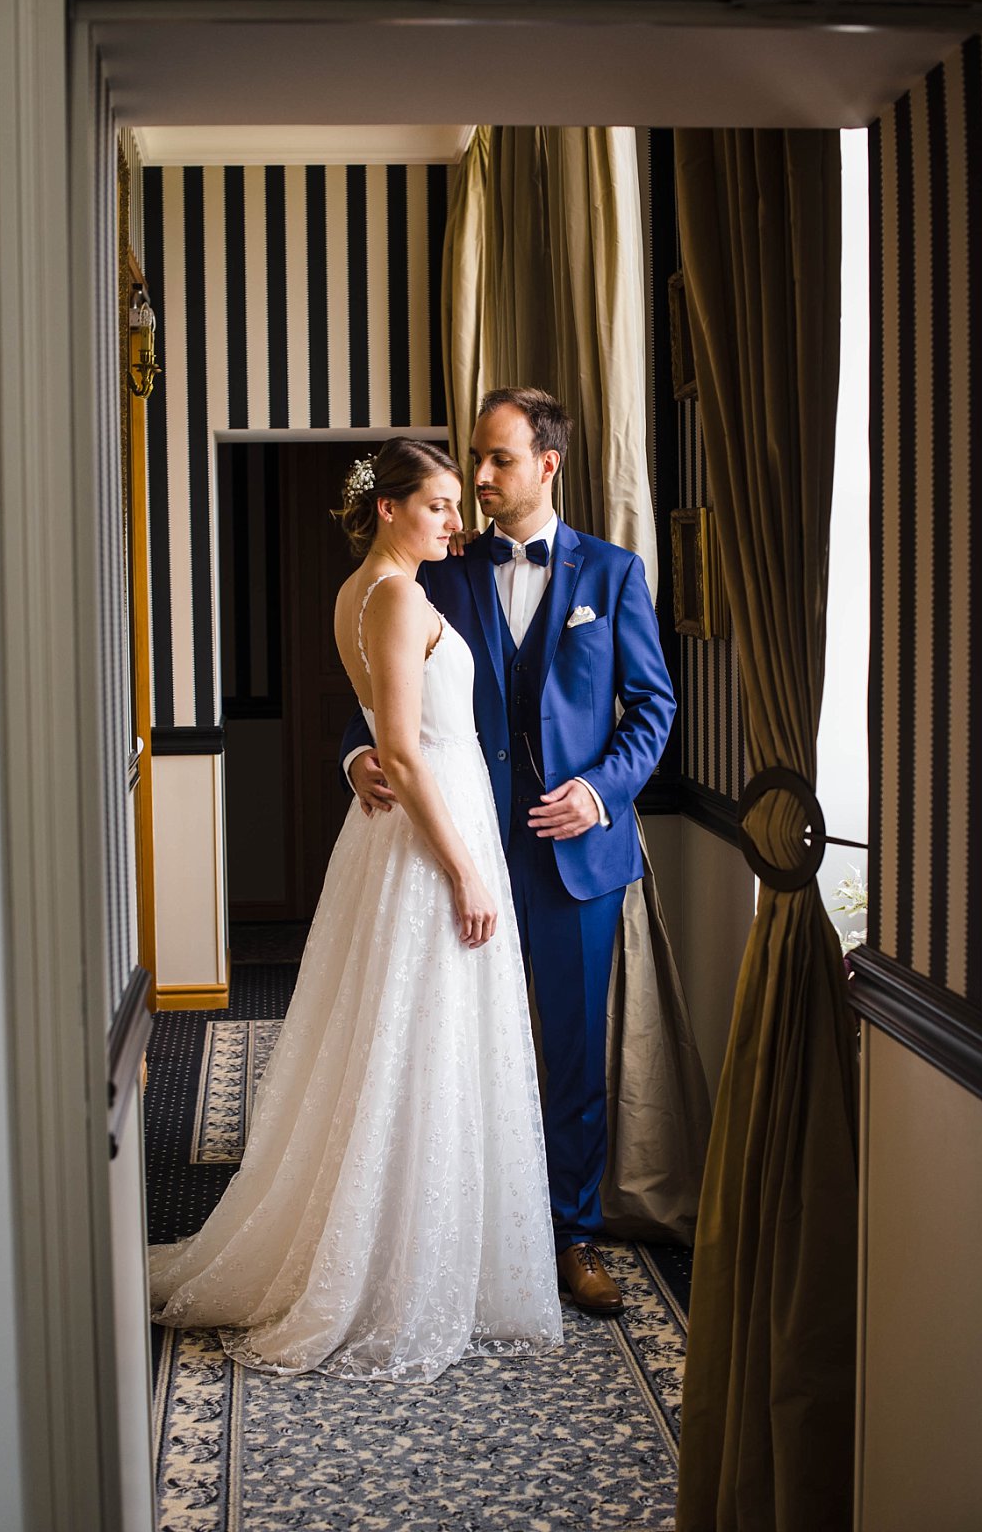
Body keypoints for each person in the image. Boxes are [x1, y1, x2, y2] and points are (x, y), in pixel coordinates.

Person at [149, 437, 562, 1382]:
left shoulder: (372, 591)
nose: (458, 521)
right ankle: (390, 1268)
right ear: (389, 509)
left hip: (419, 829)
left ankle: (423, 1245)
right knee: (414, 1041)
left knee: (417, 1039)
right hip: (426, 842)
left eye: (460, 505)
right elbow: (407, 751)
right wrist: (462, 869)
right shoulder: (392, 596)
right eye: (440, 506)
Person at [340, 389, 676, 1316]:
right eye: (474, 464)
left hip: (574, 857)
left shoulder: (612, 575)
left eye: (498, 461)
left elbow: (654, 709)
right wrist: (355, 754)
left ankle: (570, 1236)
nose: (480, 480)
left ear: (547, 465)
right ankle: (460, 1233)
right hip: (457, 844)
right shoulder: (436, 567)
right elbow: (378, 684)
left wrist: (600, 791)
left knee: (570, 1056)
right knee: (451, 1045)